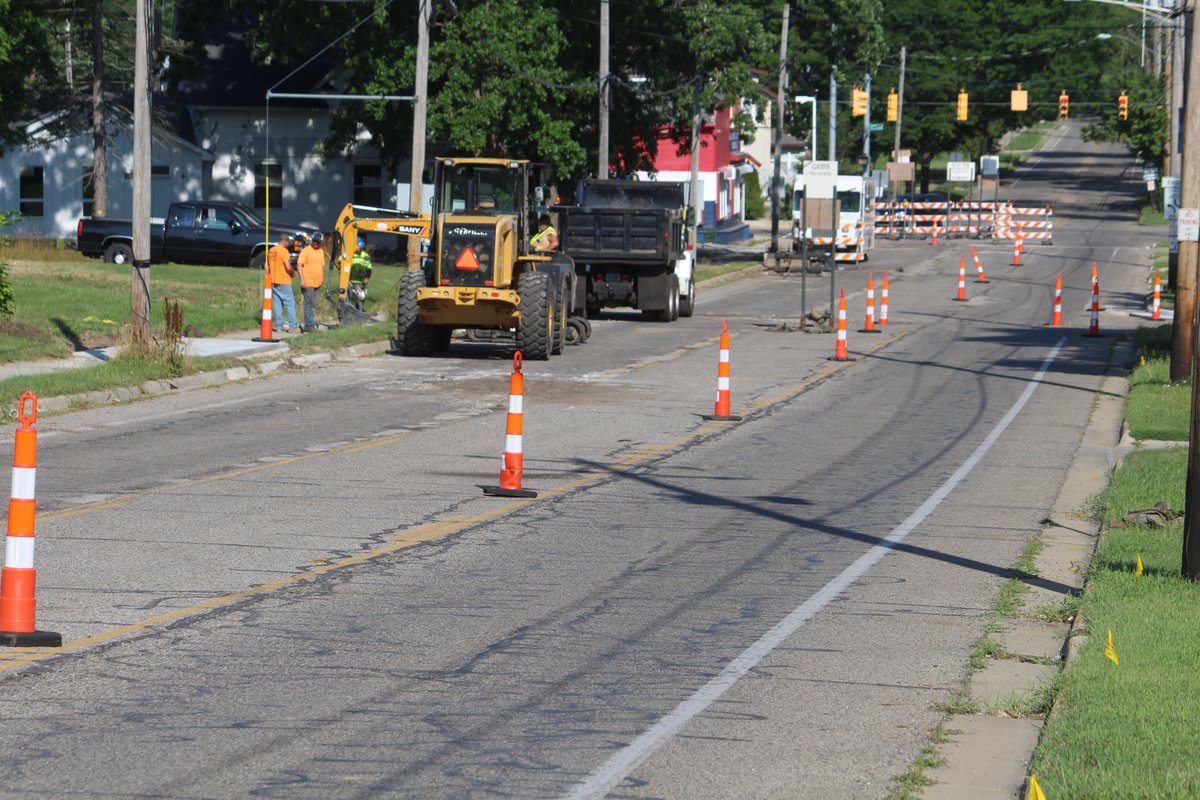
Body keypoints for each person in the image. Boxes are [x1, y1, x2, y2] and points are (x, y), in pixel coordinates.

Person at [267, 232, 298, 333]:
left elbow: (269, 267)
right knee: (289, 303)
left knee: (277, 303)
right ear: (284, 241)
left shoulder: (271, 251)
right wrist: (292, 272)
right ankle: (293, 326)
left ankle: (279, 326)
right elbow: (288, 267)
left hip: (274, 280)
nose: (289, 244)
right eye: (288, 242)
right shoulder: (284, 251)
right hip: (284, 280)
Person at [298, 232, 326, 332]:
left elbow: (322, 266)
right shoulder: (306, 251)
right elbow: (299, 265)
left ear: (321, 242)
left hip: (317, 282)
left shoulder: (321, 251)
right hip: (308, 282)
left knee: (313, 304)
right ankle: (308, 326)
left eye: (317, 242)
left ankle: (311, 323)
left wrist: (322, 278)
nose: (315, 243)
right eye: (314, 241)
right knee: (308, 303)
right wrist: (302, 279)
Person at [348, 237, 373, 311]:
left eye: (361, 248)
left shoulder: (366, 256)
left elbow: (369, 269)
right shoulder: (349, 255)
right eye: (359, 248)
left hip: (361, 282)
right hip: (349, 282)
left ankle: (360, 313)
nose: (360, 249)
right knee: (347, 299)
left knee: (360, 299)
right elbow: (341, 261)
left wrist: (367, 278)